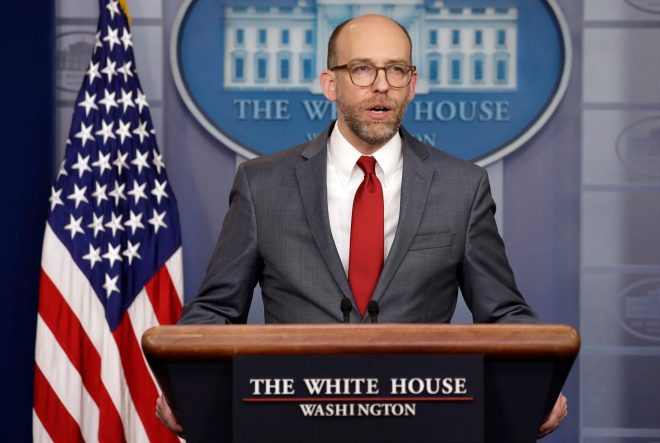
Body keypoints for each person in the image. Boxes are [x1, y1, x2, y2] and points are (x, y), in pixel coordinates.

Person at [157, 14, 567, 437]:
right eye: (362, 68)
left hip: (420, 423)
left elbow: (503, 313)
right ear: (330, 84)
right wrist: (186, 385)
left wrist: (537, 379)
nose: (382, 84)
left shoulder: (462, 187)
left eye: (396, 69)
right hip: (292, 423)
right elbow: (215, 311)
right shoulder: (263, 185)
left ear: (412, 83)